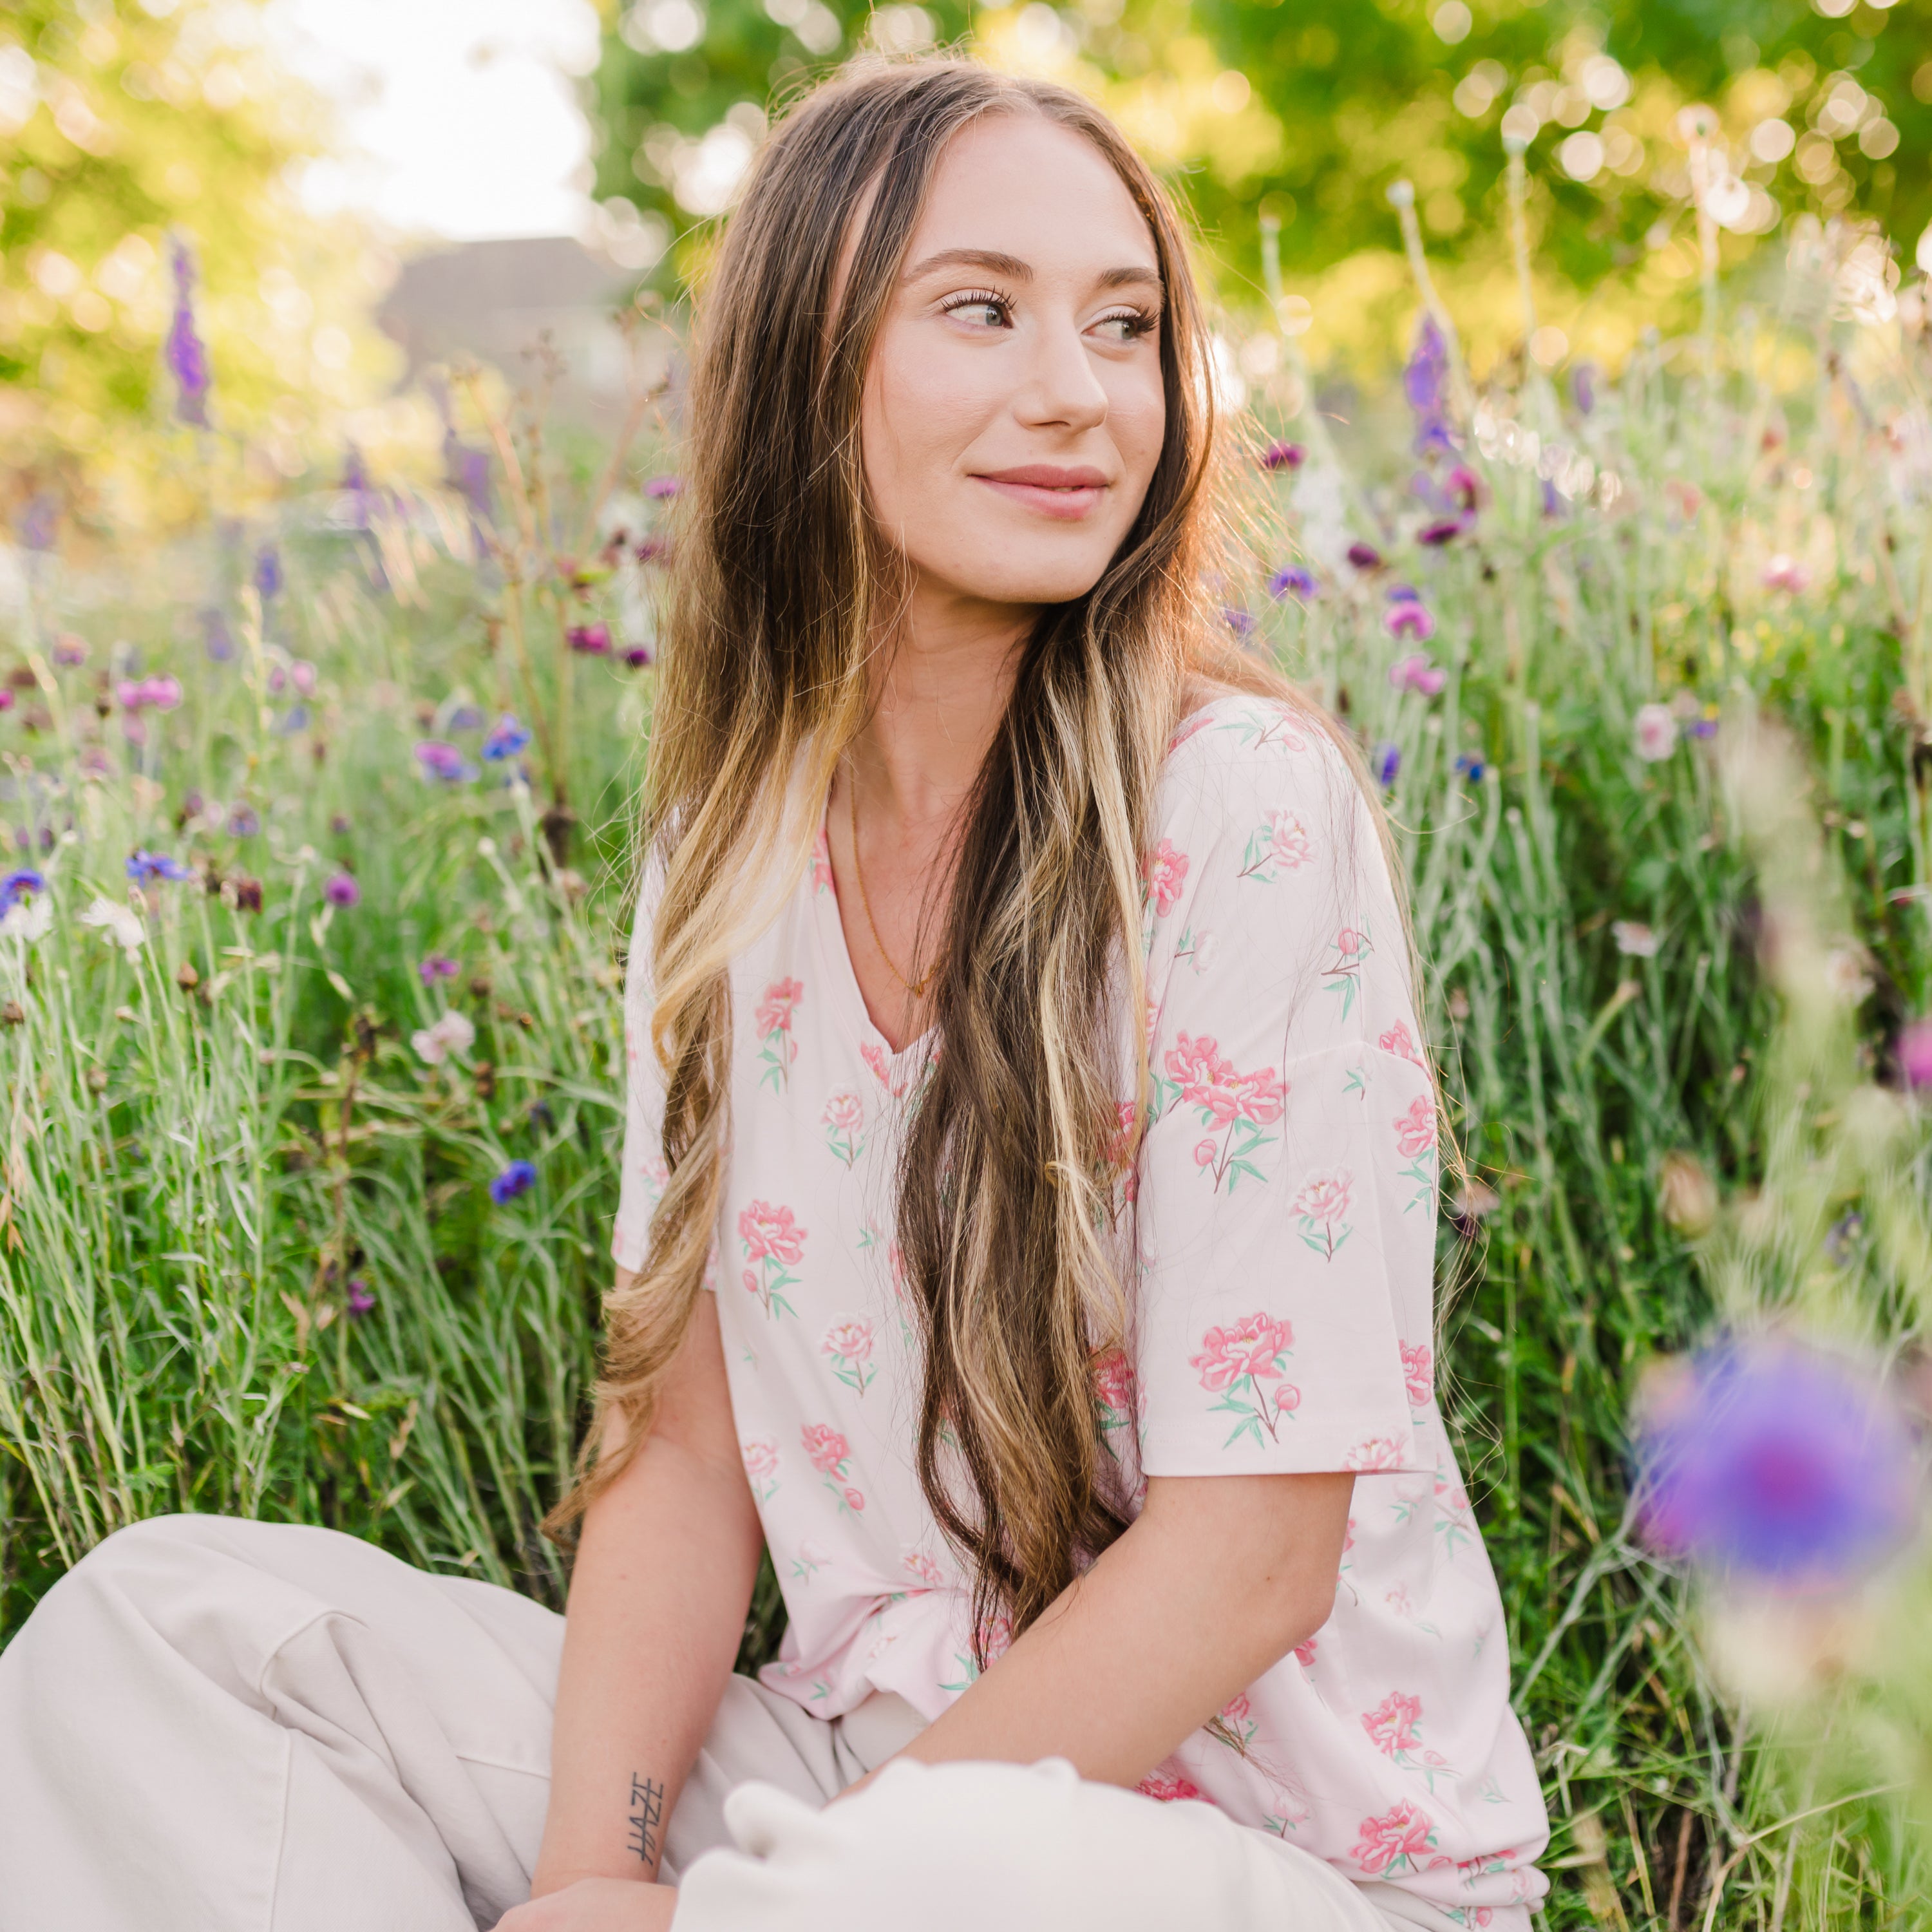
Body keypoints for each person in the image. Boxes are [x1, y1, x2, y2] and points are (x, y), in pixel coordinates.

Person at [0, 58, 1549, 1932]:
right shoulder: (735, 860)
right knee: (181, 1634)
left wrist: (801, 1890)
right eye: (981, 309)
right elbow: (683, 1445)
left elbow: (1251, 1563)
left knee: (951, 1869)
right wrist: (599, 1879)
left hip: (1243, 1862)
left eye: (1126, 325)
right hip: (862, 1779)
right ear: (809, 370)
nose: (1080, 390)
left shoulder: (1235, 811)